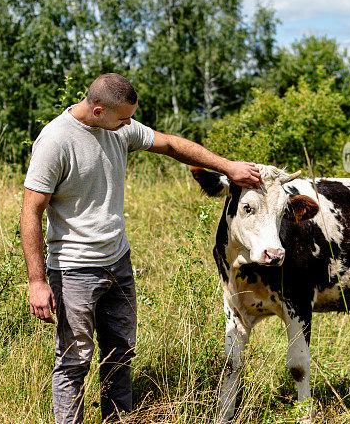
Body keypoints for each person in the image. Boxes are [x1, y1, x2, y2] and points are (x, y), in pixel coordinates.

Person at [20, 73, 260, 424]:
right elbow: (31, 211)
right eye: (124, 118)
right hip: (73, 270)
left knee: (120, 353)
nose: (131, 124)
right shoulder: (56, 141)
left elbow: (171, 145)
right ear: (98, 110)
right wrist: (37, 281)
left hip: (118, 261)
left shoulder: (118, 127)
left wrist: (227, 166)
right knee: (75, 359)